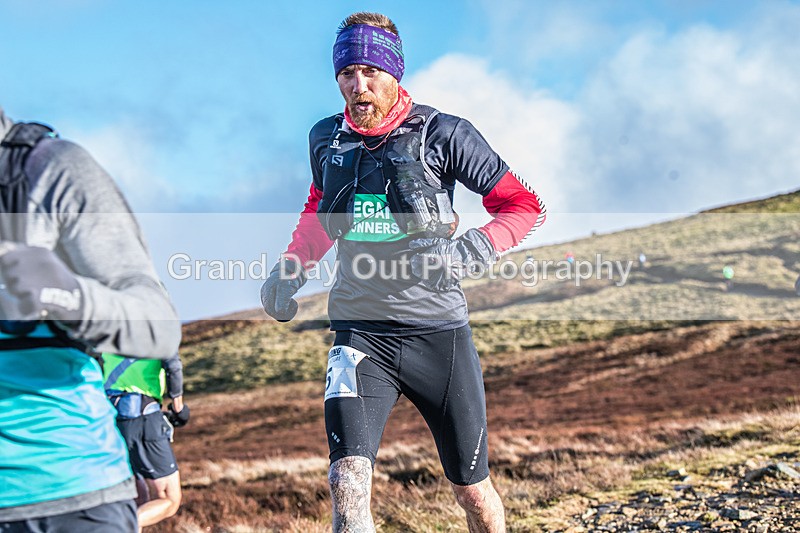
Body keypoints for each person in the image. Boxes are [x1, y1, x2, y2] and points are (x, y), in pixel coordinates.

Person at [260, 12, 545, 532]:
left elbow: (522, 205)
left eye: (370, 71)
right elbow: (320, 210)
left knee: (472, 489)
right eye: (346, 73)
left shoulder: (445, 133)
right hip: (358, 331)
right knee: (347, 484)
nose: (358, 86)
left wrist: (473, 249)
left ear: (395, 74)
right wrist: (291, 269)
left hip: (437, 334)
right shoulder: (326, 139)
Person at [0, 107, 181, 532]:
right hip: (127, 421)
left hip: (66, 496)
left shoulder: (50, 170)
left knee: (166, 497)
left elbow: (158, 325)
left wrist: (69, 296)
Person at [101, 352, 189, 530]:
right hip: (143, 416)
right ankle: (120, 527)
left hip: (111, 419)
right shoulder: (155, 327)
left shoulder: (108, 328)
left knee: (138, 499)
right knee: (168, 499)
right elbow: (173, 366)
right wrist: (178, 408)